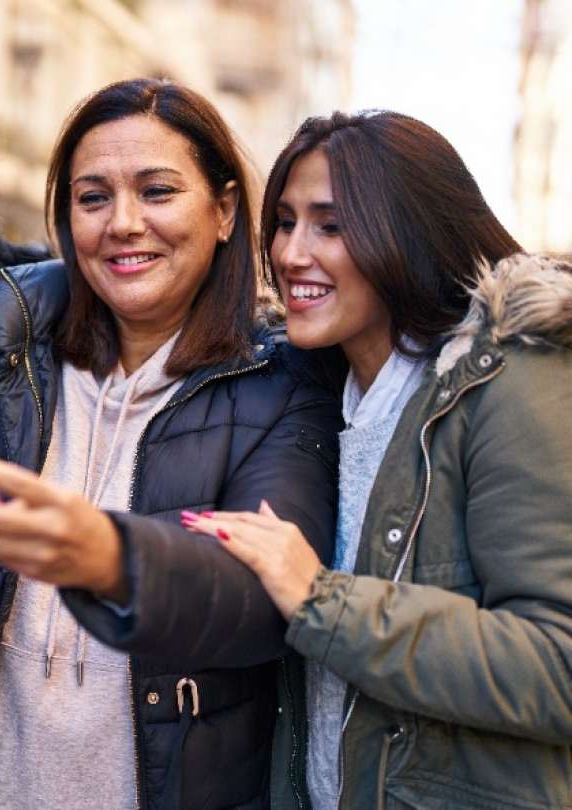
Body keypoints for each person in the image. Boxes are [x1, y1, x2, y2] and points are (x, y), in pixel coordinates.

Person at [0, 78, 343, 809]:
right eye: (92, 198)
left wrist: (108, 555)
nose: (122, 223)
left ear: (221, 211)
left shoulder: (285, 382)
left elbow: (260, 603)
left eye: (156, 191)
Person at [182, 111, 572, 809]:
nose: (294, 253)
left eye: (332, 226)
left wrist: (320, 600)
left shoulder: (510, 385)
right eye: (286, 221)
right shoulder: (313, 394)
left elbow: (557, 665)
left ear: (410, 234)